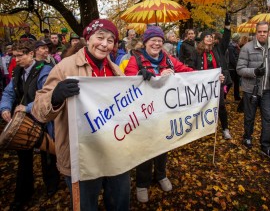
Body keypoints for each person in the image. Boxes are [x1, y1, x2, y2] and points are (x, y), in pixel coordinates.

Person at [31, 19, 130, 211]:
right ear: (88, 38)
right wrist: (55, 96)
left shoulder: (117, 71)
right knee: (86, 206)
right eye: (100, 37)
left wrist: (144, 83)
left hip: (115, 152)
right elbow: (38, 110)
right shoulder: (65, 67)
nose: (104, 44)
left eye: (110, 40)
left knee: (119, 203)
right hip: (82, 157)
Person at [125, 26, 193, 203]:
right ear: (145, 42)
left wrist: (210, 76)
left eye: (160, 41)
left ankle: (161, 175)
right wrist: (153, 76)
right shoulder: (135, 61)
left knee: (163, 147)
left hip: (164, 114)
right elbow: (127, 83)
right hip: (144, 115)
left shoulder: (169, 60)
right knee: (145, 151)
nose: (157, 43)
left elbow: (186, 71)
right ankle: (142, 184)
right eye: (153, 40)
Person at [0, 40, 58, 210]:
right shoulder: (18, 71)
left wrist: (27, 107)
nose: (16, 60)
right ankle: (24, 193)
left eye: (20, 56)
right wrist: (4, 108)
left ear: (31, 54)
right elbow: (9, 92)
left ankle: (52, 185)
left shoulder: (44, 70)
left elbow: (48, 95)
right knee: (24, 158)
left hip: (42, 119)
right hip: (23, 120)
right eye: (14, 56)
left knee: (48, 154)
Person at [236, 21, 270, 161]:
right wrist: (254, 71)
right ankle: (247, 136)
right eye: (259, 31)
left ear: (269, 32)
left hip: (268, 90)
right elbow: (240, 69)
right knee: (249, 116)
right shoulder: (247, 48)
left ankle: (265, 145)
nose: (262, 34)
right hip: (251, 90)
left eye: (264, 31)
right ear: (256, 32)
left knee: (268, 118)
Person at [193, 14, 232, 140]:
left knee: (220, 106)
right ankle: (203, 129)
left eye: (211, 37)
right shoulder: (197, 52)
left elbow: (226, 39)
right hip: (202, 85)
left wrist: (227, 26)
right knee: (203, 106)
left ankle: (225, 128)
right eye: (207, 37)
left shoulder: (218, 50)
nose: (209, 38)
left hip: (217, 84)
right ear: (203, 39)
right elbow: (192, 68)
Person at [227, 33, 242, 101]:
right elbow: (232, 59)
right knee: (229, 83)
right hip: (232, 68)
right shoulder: (231, 47)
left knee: (237, 82)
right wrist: (237, 67)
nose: (240, 40)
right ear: (237, 39)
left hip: (235, 68)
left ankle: (237, 96)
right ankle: (223, 95)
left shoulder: (236, 46)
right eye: (239, 38)